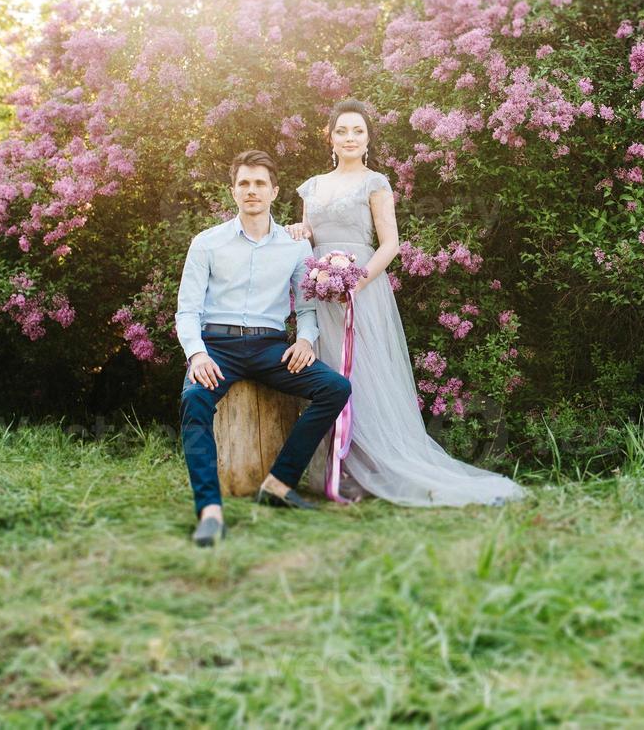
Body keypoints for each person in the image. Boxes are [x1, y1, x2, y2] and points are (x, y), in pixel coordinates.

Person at [287, 99, 526, 506]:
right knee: (327, 371)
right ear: (330, 137)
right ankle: (337, 471)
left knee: (364, 374)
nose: (349, 137)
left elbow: (391, 244)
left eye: (357, 131)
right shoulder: (312, 186)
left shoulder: (375, 183)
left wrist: (355, 284)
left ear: (367, 139)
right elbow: (310, 237)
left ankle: (377, 467)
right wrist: (297, 231)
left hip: (360, 288)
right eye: (342, 130)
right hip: (320, 291)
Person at [175, 149, 353, 547]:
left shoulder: (295, 247)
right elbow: (187, 310)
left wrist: (306, 340)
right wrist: (197, 354)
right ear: (233, 191)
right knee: (194, 401)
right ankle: (210, 510)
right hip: (217, 348)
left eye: (259, 184)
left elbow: (306, 309)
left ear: (274, 191)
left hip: (270, 348)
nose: (251, 191)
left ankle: (279, 482)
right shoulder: (206, 243)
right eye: (244, 184)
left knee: (335, 388)